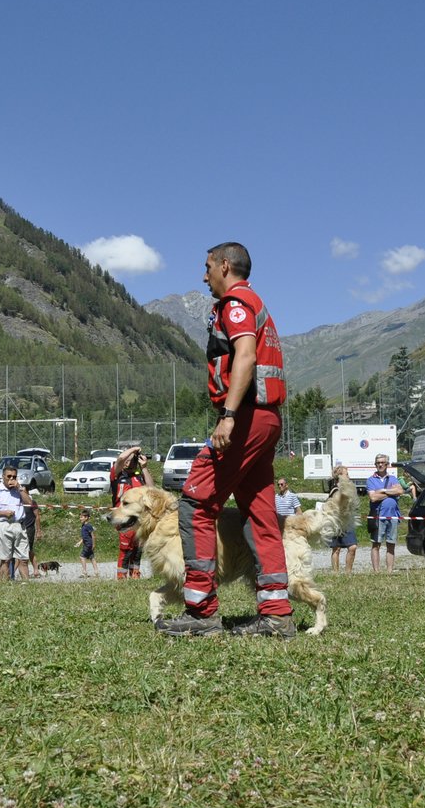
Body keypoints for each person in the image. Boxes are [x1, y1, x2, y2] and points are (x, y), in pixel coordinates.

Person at [158, 242, 292, 638]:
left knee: (196, 502)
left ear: (225, 266)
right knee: (261, 515)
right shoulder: (254, 302)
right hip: (266, 419)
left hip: (247, 417)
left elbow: (246, 357)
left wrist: (229, 415)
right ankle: (277, 615)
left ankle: (202, 613)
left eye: (207, 267)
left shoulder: (236, 302)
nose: (204, 276)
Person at [0, 464, 31, 580]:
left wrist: (19, 488)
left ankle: (26, 584)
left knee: (24, 558)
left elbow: (29, 503)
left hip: (19, 526)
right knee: (5, 559)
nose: (11, 479)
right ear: (3, 476)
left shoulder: (19, 489)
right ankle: (5, 583)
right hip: (3, 526)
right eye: (9, 476)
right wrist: (3, 513)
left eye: (14, 477)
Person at [109, 446, 151, 579]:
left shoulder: (139, 477)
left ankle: (135, 575)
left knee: (138, 549)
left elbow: (151, 489)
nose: (127, 461)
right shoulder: (117, 474)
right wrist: (134, 449)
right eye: (126, 459)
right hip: (124, 518)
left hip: (139, 519)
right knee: (126, 549)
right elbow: (121, 458)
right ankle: (121, 577)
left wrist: (144, 467)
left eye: (130, 460)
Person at [366, 454, 404, 573]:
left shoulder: (393, 479)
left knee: (391, 544)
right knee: (376, 544)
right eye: (378, 463)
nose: (380, 464)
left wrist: (383, 491)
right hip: (378, 516)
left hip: (392, 516)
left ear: (387, 464)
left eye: (383, 462)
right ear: (375, 464)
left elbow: (400, 490)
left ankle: (389, 571)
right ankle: (376, 571)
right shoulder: (371, 480)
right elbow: (373, 497)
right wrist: (391, 493)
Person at [79, 508, 96, 577]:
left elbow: (93, 536)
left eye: (81, 517)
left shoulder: (88, 526)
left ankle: (84, 572)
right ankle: (96, 572)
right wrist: (80, 542)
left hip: (88, 544)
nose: (80, 518)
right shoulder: (83, 525)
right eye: (80, 517)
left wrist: (94, 544)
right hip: (87, 544)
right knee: (92, 557)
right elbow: (84, 536)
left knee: (82, 557)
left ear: (86, 518)